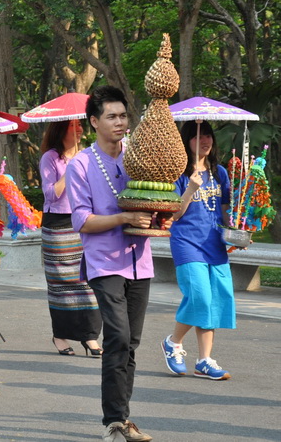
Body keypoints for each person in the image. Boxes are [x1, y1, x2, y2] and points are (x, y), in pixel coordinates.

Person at [66, 86, 159, 442]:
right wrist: (124, 217)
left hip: (141, 261)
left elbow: (159, 201)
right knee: (118, 336)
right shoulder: (82, 165)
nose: (121, 122)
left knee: (130, 343)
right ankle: (114, 420)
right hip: (103, 262)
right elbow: (82, 221)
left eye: (124, 116)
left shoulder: (140, 155)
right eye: (112, 116)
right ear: (94, 122)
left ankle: (124, 418)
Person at [161, 120, 234, 381]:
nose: (205, 141)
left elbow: (225, 212)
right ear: (187, 141)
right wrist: (190, 188)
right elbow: (175, 215)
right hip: (187, 244)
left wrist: (236, 231)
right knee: (200, 297)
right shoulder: (177, 174)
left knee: (214, 301)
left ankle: (204, 360)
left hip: (215, 245)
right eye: (198, 137)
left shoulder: (220, 172)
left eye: (208, 136)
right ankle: (174, 341)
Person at [39, 119, 103, 357]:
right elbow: (50, 194)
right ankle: (60, 335)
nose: (79, 130)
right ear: (60, 129)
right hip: (57, 225)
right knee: (61, 285)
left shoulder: (88, 155)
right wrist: (70, 170)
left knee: (87, 281)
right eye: (72, 126)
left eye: (80, 126)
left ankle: (90, 336)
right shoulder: (50, 158)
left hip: (84, 221)